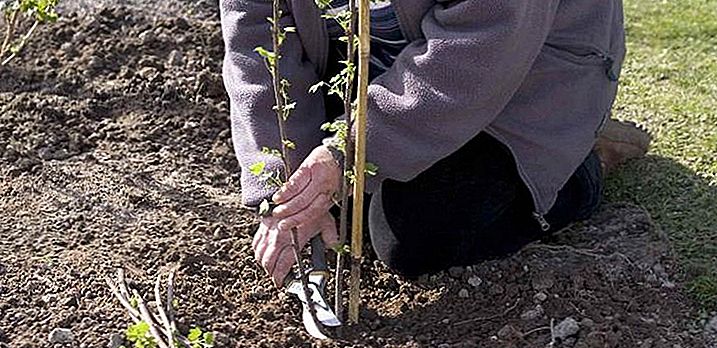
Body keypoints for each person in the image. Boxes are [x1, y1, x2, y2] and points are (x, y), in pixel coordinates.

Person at [220, 0, 651, 286]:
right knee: (340, 218)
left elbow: (481, 43)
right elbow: (257, 44)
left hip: (524, 78)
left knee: (413, 235)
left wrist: (347, 152)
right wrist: (285, 189)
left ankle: (582, 159)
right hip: (381, 79)